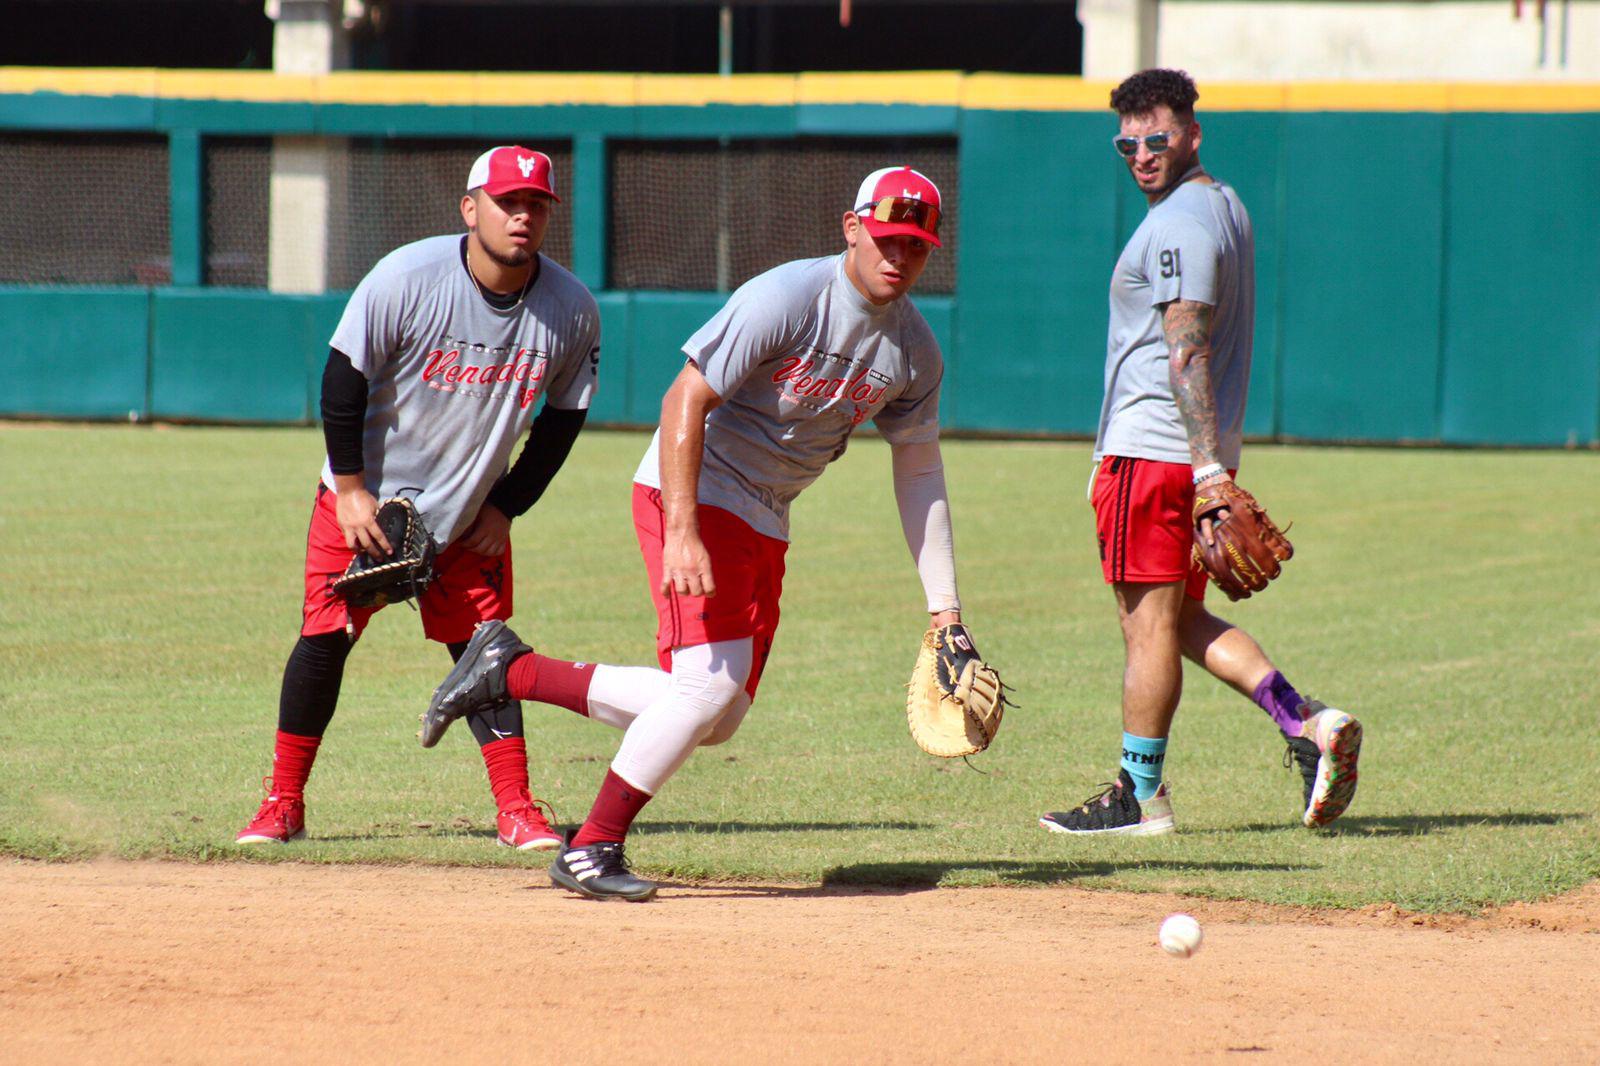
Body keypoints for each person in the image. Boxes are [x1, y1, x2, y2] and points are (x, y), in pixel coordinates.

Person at [421, 166, 973, 901]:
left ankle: (508, 670)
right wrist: (682, 530)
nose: (897, 257)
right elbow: (686, 395)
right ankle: (592, 847)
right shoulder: (788, 298)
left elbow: (920, 474)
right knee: (708, 688)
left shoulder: (913, 351)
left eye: (916, 246)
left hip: (767, 515)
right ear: (853, 228)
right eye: (886, 238)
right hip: (694, 485)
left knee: (716, 718)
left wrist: (946, 610)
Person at [233, 146, 601, 851]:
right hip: (366, 505)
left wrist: (507, 507)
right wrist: (349, 491)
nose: (522, 216)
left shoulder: (570, 309)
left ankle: (517, 808)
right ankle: (282, 803)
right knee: (323, 641)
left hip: (468, 515)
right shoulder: (407, 277)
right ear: (471, 209)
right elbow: (344, 379)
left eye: (536, 205)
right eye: (507, 202)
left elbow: (564, 420)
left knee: (487, 652)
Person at [1039, 70, 1362, 836]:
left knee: (1145, 628)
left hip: (1155, 457)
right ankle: (1306, 721)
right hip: (1187, 457)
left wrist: (1205, 470)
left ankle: (1140, 796)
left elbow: (1186, 349)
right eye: (1128, 142)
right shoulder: (1224, 206)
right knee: (1180, 618)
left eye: (1158, 137)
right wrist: (1212, 464)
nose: (1142, 153)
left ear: (1191, 132)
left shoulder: (1182, 220)